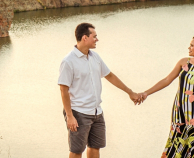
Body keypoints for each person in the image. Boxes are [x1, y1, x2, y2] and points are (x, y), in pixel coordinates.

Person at [58, 23, 141, 158]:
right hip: (78, 112)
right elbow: (63, 90)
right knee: (77, 150)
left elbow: (110, 76)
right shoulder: (68, 61)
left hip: (97, 111)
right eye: (94, 36)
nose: (97, 39)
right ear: (85, 37)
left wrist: (130, 92)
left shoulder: (95, 57)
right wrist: (70, 116)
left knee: (95, 146)